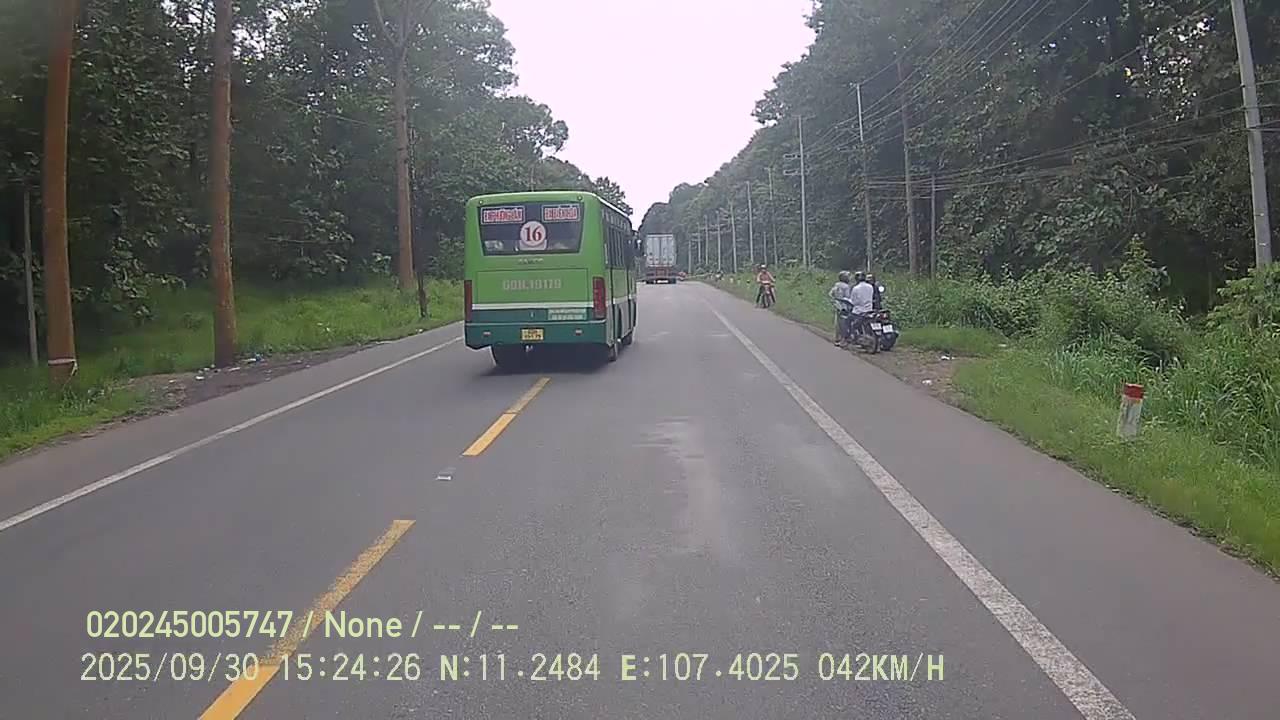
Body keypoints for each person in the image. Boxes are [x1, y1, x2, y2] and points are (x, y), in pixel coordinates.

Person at [828, 270, 855, 345]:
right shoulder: (846, 287)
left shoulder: (836, 285)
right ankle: (844, 338)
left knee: (838, 323)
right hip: (844, 307)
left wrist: (835, 301)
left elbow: (830, 294)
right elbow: (848, 297)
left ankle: (837, 337)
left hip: (838, 306)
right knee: (844, 323)